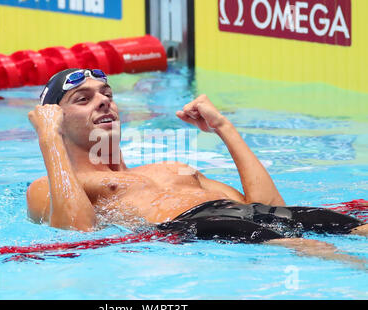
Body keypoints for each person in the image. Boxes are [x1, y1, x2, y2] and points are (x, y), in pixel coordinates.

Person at [27, 69, 367, 267]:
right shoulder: (51, 185)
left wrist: (223, 127)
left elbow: (269, 208)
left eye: (106, 93)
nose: (103, 100)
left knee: (355, 228)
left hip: (235, 216)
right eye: (83, 99)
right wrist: (49, 139)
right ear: (56, 119)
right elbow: (77, 233)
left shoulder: (171, 168)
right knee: (315, 250)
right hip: (196, 226)